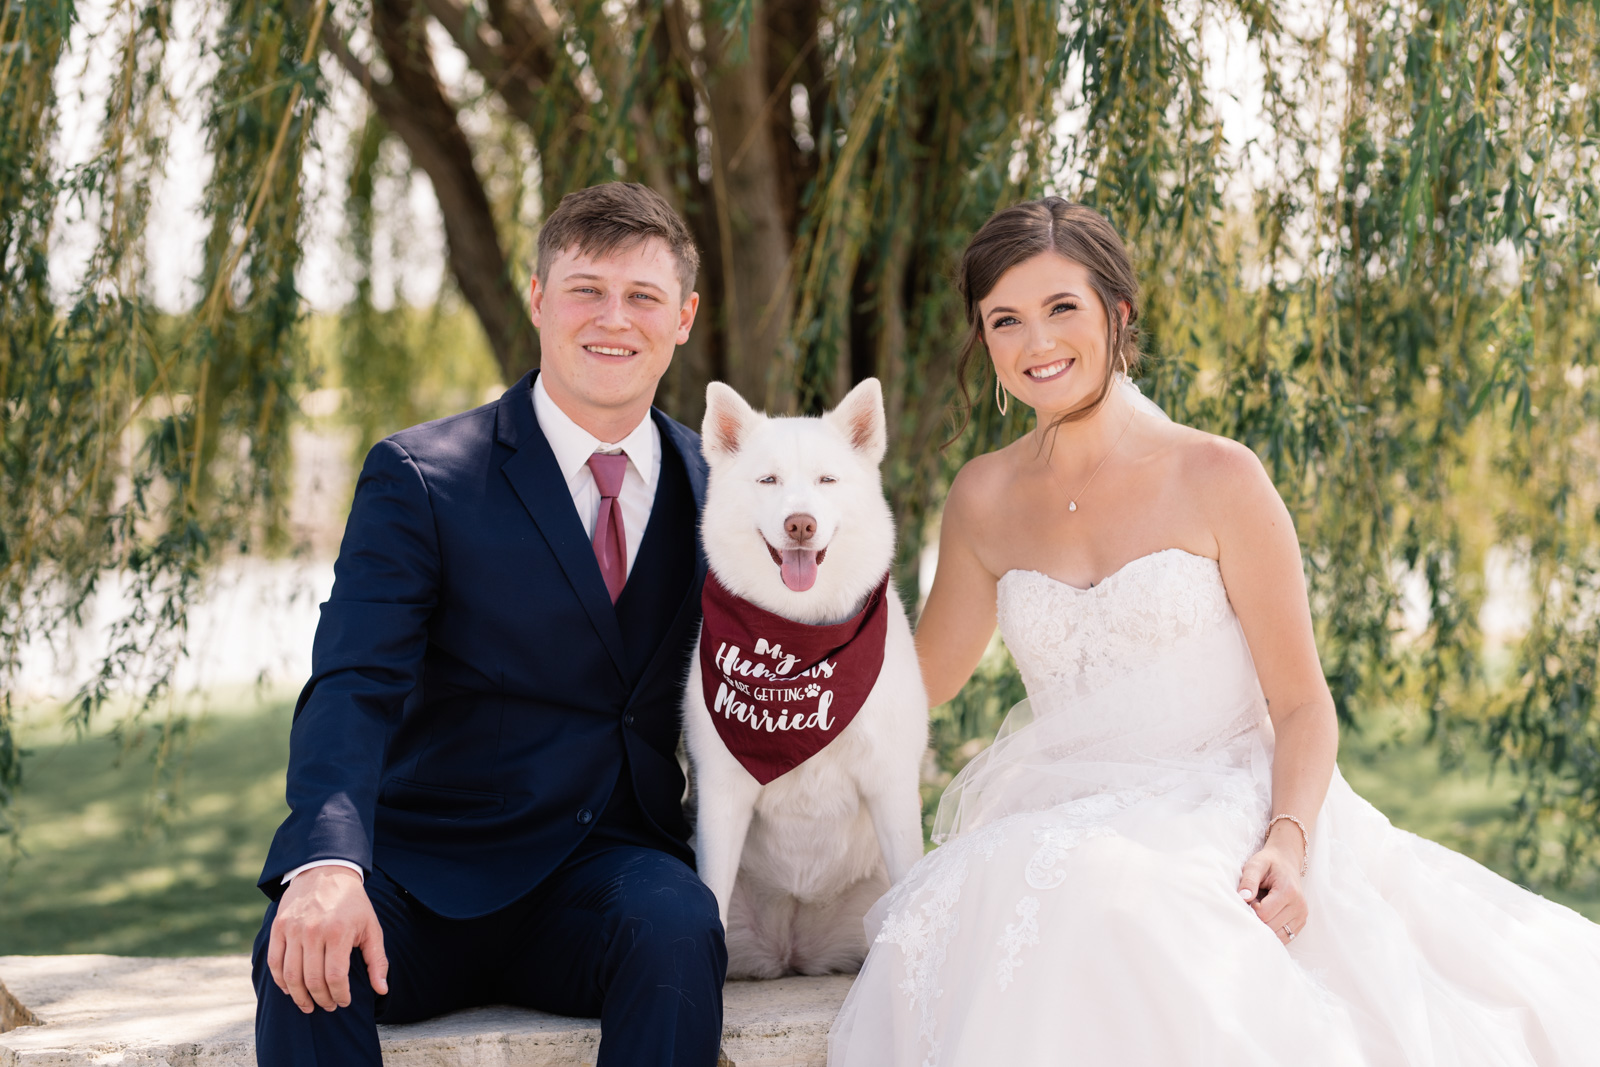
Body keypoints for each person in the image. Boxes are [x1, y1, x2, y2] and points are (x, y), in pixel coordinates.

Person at [828, 197, 1600, 1066]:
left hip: (1225, 801)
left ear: (1118, 315)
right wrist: (786, 669)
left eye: (1062, 309)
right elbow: (917, 683)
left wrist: (1288, 840)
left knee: (1115, 899)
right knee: (972, 910)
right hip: (1061, 807)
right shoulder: (983, 497)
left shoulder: (1218, 475)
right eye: (1005, 321)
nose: (1036, 343)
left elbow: (1304, 704)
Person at [252, 182, 727, 1067]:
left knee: (679, 926)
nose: (612, 319)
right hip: (426, 876)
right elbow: (355, 681)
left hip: (609, 879)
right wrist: (325, 863)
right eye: (586, 288)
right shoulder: (421, 476)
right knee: (301, 953)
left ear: (685, 317)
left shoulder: (724, 490)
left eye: (643, 296)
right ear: (539, 298)